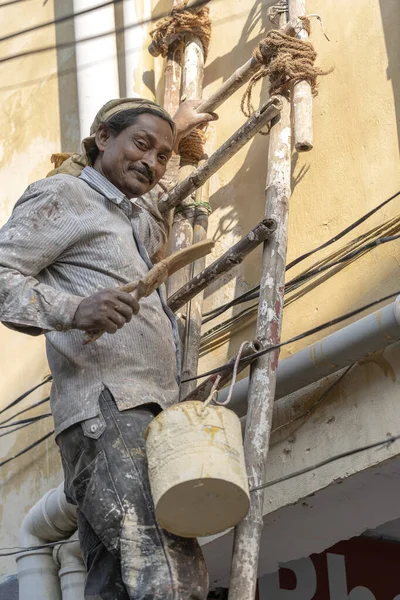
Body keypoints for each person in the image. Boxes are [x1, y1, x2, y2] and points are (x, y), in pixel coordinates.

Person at [0, 97, 217, 599]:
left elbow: (153, 181)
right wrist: (74, 309)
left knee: (117, 586)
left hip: (142, 411)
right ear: (102, 138)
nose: (151, 161)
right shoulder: (63, 197)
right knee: (171, 575)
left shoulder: (134, 212)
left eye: (162, 155)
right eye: (140, 145)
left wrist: (175, 132)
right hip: (111, 409)